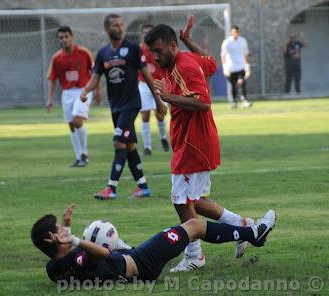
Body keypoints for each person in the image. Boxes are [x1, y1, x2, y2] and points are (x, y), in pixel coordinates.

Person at [144, 17, 256, 273]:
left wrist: (166, 97)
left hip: (194, 144)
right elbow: (213, 64)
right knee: (194, 200)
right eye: (152, 53)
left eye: (159, 51)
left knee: (180, 200)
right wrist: (189, 41)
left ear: (171, 47)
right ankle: (243, 226)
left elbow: (204, 103)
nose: (156, 58)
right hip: (188, 141)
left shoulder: (185, 67)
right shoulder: (180, 59)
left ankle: (195, 255)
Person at [31, 204, 276, 283]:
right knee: (194, 226)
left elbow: (67, 261)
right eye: (59, 231)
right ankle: (252, 233)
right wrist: (74, 238)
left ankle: (248, 232)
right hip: (141, 262)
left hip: (133, 260)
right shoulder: (76, 256)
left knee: (192, 226)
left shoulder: (53, 269)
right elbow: (102, 255)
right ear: (53, 239)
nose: (63, 231)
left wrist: (68, 231)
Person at [80, 14, 167, 200]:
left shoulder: (133, 49)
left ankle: (111, 188)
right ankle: (143, 187)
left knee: (118, 141)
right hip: (116, 106)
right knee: (129, 146)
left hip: (131, 104)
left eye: (121, 24)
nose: (119, 28)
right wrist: (85, 91)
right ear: (107, 29)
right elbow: (95, 77)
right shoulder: (103, 53)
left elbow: (148, 77)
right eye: (115, 25)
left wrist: (159, 102)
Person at [46, 26, 101, 167]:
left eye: (66, 36)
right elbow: (52, 78)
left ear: (72, 37)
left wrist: (98, 92)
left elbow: (96, 73)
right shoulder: (56, 58)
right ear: (58, 40)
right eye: (61, 38)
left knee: (77, 121)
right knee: (71, 125)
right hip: (67, 93)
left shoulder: (84, 52)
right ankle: (78, 157)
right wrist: (50, 99)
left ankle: (84, 154)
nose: (64, 40)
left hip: (83, 90)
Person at [138, 23, 169, 155]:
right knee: (145, 115)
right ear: (141, 34)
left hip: (158, 84)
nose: (147, 34)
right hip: (144, 85)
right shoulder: (138, 50)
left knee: (160, 115)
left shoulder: (158, 48)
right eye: (145, 32)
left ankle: (163, 138)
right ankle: (147, 147)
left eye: (149, 32)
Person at [221, 25, 252, 109]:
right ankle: (234, 101)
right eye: (234, 32)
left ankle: (244, 101)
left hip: (241, 66)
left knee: (242, 82)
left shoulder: (243, 41)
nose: (236, 34)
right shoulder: (226, 42)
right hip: (231, 67)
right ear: (231, 32)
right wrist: (224, 67)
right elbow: (223, 55)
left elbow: (246, 54)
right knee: (233, 85)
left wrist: (247, 66)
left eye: (237, 32)